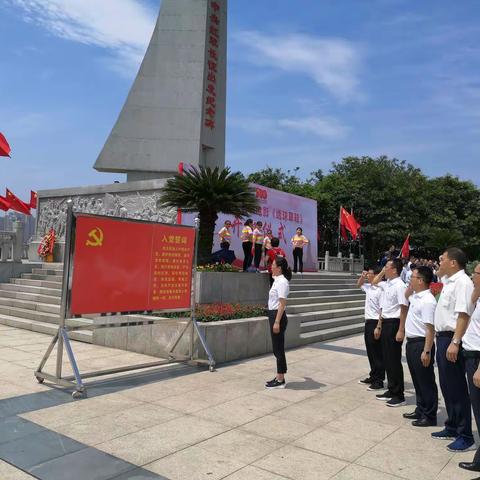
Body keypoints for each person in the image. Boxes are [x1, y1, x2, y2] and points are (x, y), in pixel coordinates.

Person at [432, 247, 475, 452]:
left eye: (443, 259)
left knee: (457, 388)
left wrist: (455, 342)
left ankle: (465, 435)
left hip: (452, 339)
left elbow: (463, 315)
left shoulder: (463, 283)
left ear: (453, 263)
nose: (439, 262)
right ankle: (452, 426)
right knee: (447, 385)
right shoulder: (449, 282)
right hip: (442, 339)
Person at [403, 266, 438, 427]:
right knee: (417, 379)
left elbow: (430, 328)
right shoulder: (416, 296)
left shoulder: (428, 301)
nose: (410, 279)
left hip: (421, 343)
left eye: (413, 277)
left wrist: (427, 350)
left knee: (426, 380)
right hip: (411, 343)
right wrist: (410, 289)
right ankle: (421, 408)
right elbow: (406, 296)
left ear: (421, 281)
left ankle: (429, 415)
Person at [372, 258, 409, 407]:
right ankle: (391, 390)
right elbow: (374, 282)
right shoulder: (388, 284)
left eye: (387, 267)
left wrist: (401, 329)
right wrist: (382, 271)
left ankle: (399, 395)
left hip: (394, 324)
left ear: (394, 270)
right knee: (387, 358)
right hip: (386, 322)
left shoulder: (400, 285)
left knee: (393, 360)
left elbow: (404, 307)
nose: (384, 269)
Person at [459, 263, 480, 472]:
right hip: (471, 356)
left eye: (475, 273)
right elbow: (471, 303)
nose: (472, 276)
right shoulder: (479, 297)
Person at [265, 256, 292, 389]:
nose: (271, 266)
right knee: (277, 347)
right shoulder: (278, 280)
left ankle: (280, 378)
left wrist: (277, 322)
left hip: (278, 316)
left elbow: (282, 304)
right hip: (274, 314)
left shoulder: (282, 282)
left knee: (278, 348)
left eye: (273, 264)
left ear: (279, 268)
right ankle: (279, 375)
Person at [357, 267, 386, 391]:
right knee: (370, 351)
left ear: (376, 275)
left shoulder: (381, 290)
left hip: (375, 322)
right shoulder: (369, 287)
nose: (368, 275)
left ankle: (379, 380)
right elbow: (359, 284)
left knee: (377, 352)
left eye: (369, 274)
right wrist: (363, 277)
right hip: (368, 322)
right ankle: (373, 375)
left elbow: (382, 309)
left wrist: (379, 326)